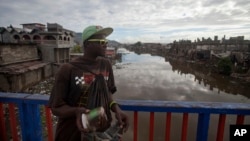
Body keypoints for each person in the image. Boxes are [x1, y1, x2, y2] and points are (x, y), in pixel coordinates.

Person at [48, 25, 129, 141]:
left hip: (100, 131)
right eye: (101, 41)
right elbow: (56, 107)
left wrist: (116, 109)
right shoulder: (68, 69)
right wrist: (77, 111)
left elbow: (108, 93)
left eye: (105, 41)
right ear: (87, 44)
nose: (105, 44)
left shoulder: (105, 65)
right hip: (73, 132)